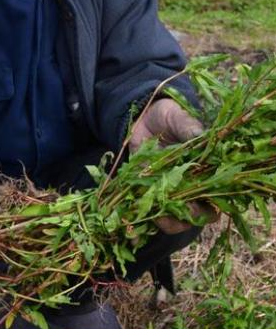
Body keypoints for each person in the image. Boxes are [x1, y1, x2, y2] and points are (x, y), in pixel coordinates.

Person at [0, 1, 214, 328]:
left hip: (65, 199)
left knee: (174, 185)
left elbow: (138, 58)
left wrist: (151, 104)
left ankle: (66, 295)